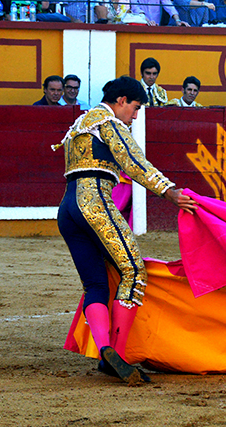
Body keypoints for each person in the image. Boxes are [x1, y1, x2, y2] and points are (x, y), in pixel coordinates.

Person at [56, 75, 197, 384]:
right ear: (121, 101)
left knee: (95, 284)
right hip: (93, 202)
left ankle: (105, 350)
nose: (135, 116)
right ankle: (116, 353)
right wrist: (168, 191)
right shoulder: (109, 122)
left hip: (67, 209)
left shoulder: (80, 123)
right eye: (134, 108)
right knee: (133, 271)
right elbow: (133, 161)